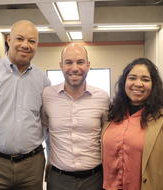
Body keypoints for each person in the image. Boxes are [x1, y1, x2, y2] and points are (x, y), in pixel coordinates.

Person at [0, 20, 50, 190]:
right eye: (20, 39)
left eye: (32, 41)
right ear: (9, 40)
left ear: (36, 45)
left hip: (31, 166)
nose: (26, 45)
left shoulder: (43, 81)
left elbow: (46, 123)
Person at [42, 43, 110, 190]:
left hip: (94, 179)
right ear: (61, 65)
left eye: (80, 62)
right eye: (68, 62)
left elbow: (107, 136)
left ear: (88, 65)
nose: (74, 68)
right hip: (58, 179)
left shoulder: (102, 98)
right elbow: (44, 131)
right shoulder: (47, 95)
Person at [102, 58, 163, 190]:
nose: (138, 84)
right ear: (124, 82)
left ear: (154, 85)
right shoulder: (112, 114)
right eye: (132, 78)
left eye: (145, 79)